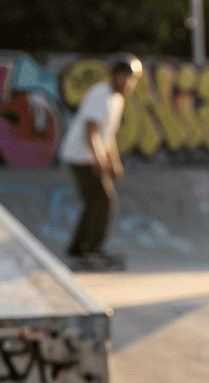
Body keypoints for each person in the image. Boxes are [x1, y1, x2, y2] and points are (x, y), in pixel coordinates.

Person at [60, 54, 142, 270]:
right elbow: (91, 130)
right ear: (114, 75)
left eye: (133, 79)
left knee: (94, 201)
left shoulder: (117, 99)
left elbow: (108, 135)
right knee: (104, 200)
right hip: (81, 156)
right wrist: (98, 159)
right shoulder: (101, 94)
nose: (129, 83)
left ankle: (78, 250)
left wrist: (114, 161)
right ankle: (91, 250)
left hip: (88, 155)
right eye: (126, 77)